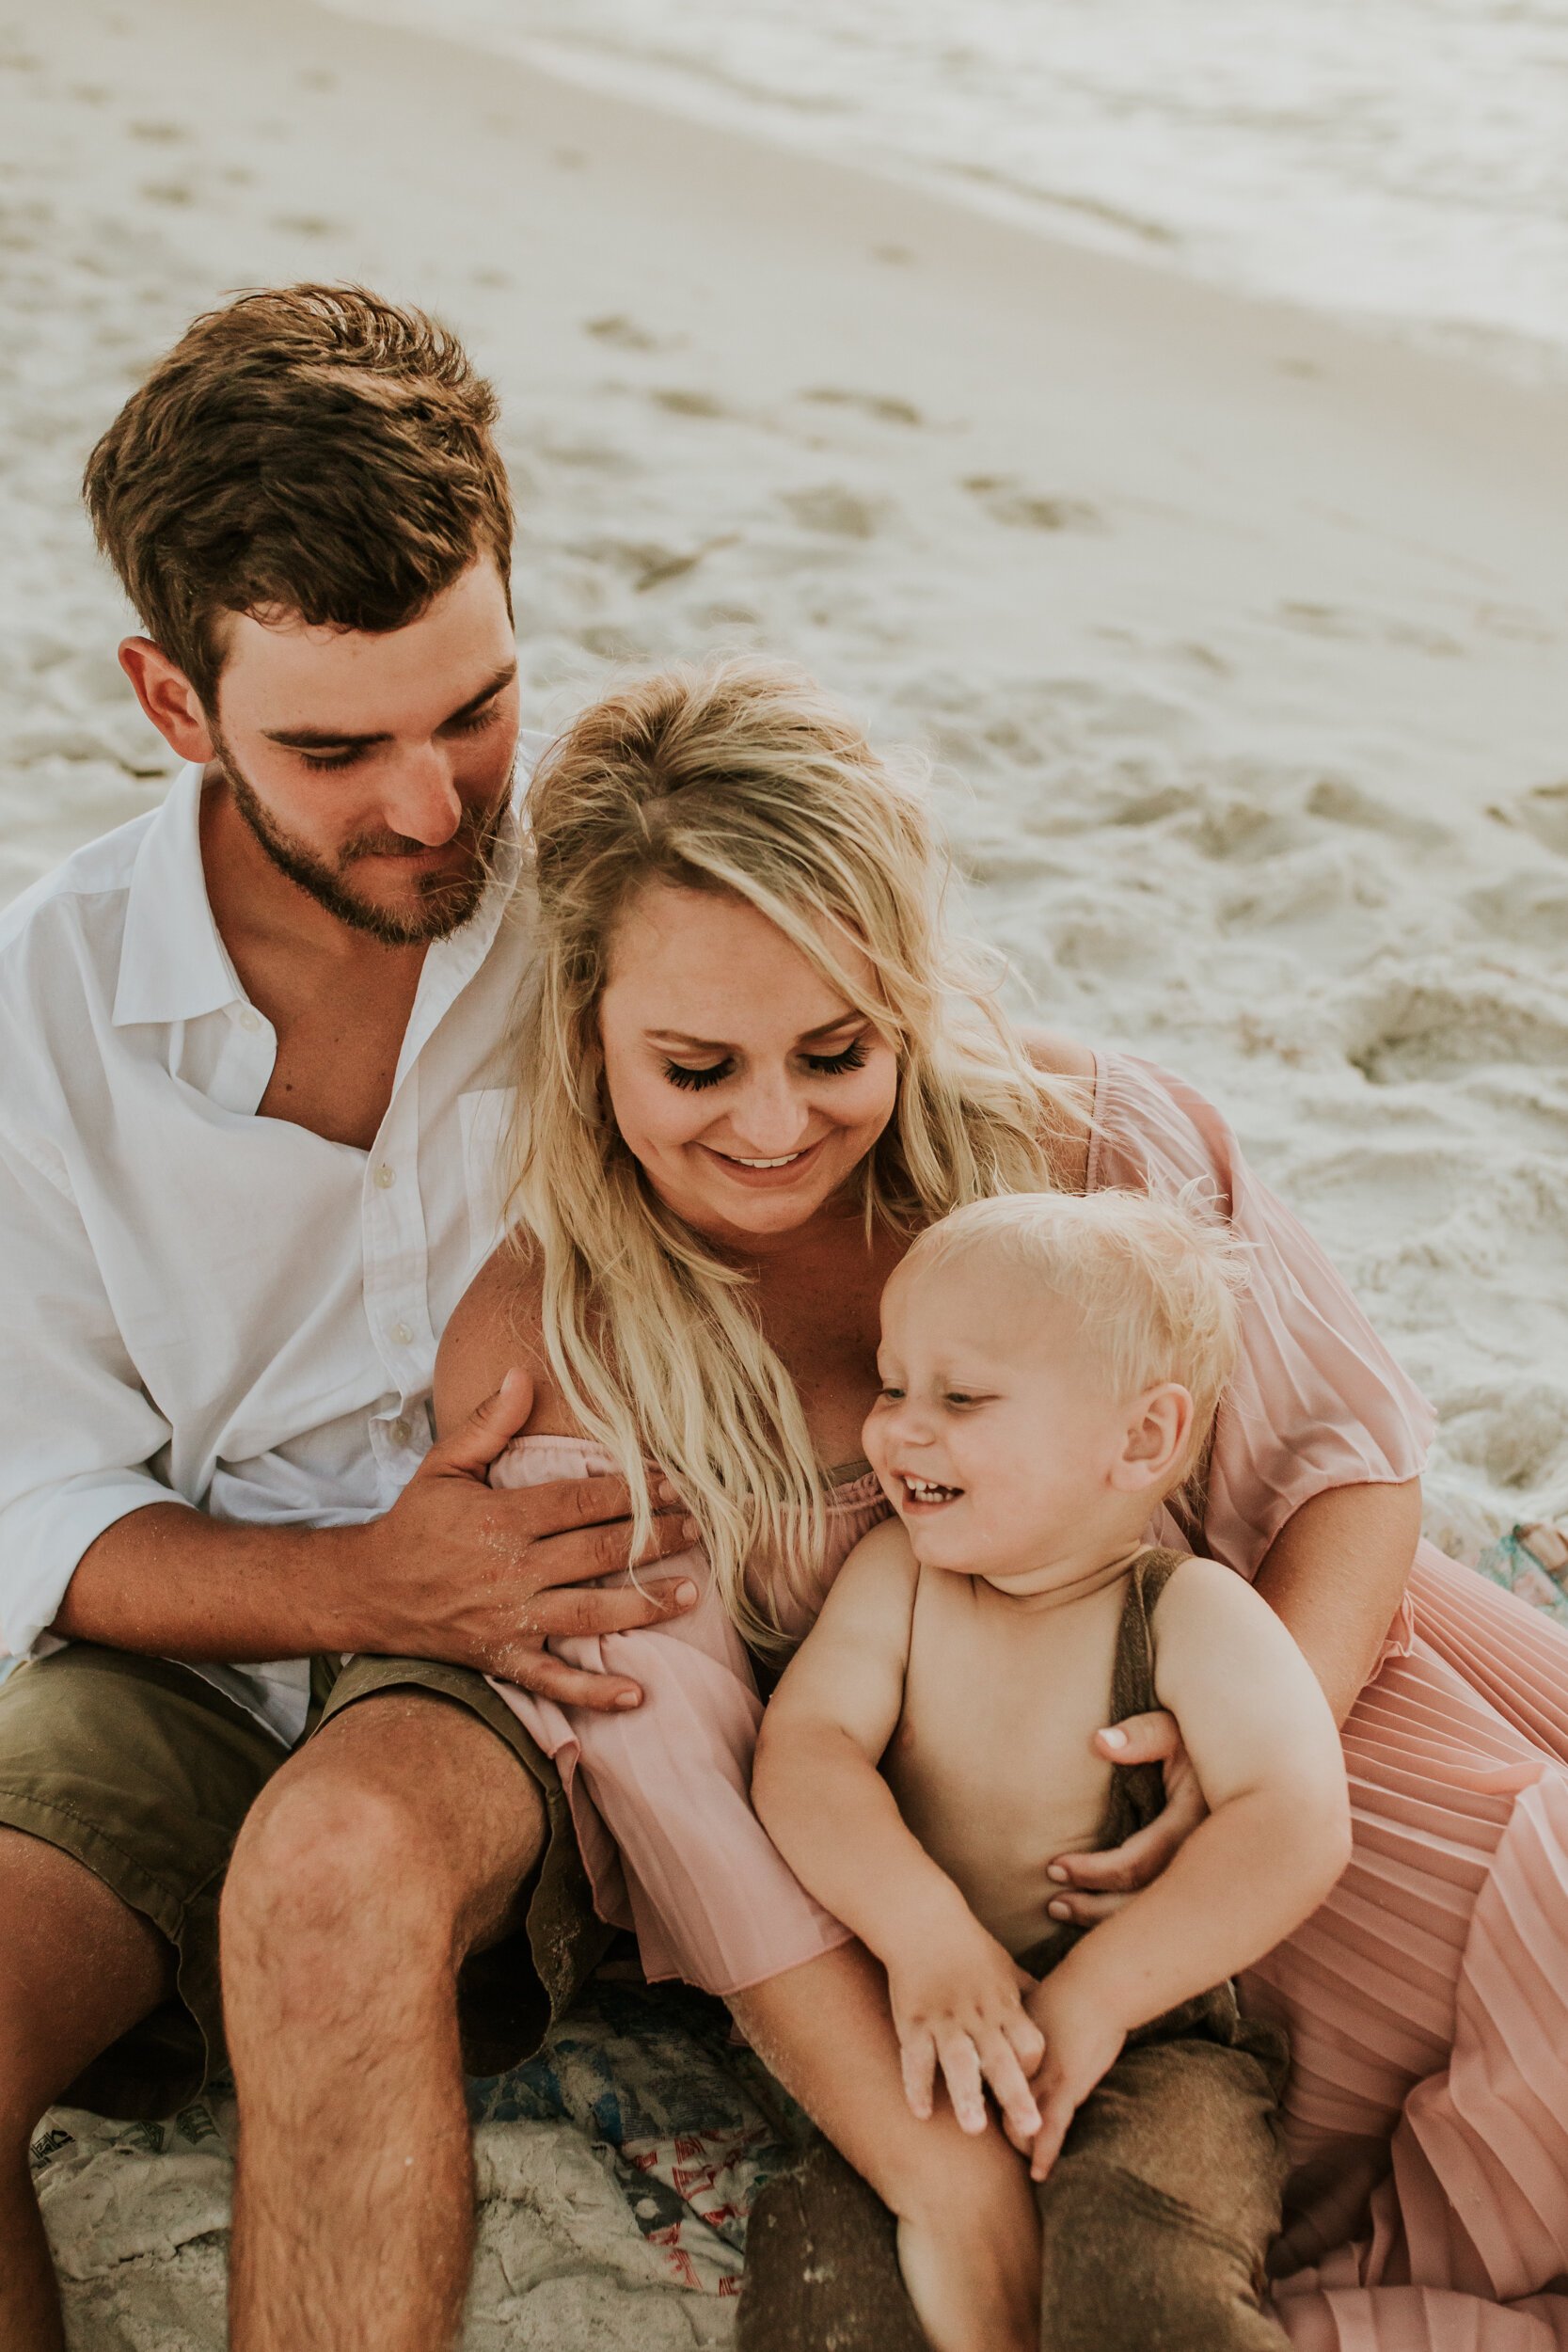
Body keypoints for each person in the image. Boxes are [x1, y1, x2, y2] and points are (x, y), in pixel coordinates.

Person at [438, 654, 1568, 2351]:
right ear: (584, 1029)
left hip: (1325, 1742)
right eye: (693, 1069)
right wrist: (934, 2171)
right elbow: (701, 1829)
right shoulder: (560, 1353)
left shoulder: (1093, 1146)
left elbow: (1342, 1460)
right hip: (1002, 1925)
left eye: (835, 1049)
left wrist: (1242, 1762)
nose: (772, 1123)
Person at [0, 284, 698, 2352]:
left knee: (333, 1881)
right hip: (197, 1648)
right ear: (171, 696)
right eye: (333, 744)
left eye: (471, 706)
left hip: (542, 1650)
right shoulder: (43, 999)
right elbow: (38, 1498)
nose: (430, 804)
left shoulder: (616, 859)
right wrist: (351, 1567)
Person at [753, 1187, 1352, 2351]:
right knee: (825, 2265)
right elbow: (805, 1754)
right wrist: (924, 1930)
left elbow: (1292, 1821)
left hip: (1153, 2044)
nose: (898, 1430)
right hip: (921, 2024)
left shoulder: (1189, 1613)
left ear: (1140, 1438)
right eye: (891, 1384)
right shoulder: (897, 1581)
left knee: (1142, 2264)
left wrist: (1098, 1993)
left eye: (960, 1397)